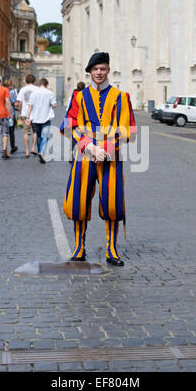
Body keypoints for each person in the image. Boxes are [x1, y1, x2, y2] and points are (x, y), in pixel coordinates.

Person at [60, 52, 136, 267]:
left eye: (102, 69)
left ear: (108, 70)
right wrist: (91, 147)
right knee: (78, 201)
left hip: (111, 157)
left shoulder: (121, 97)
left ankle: (111, 248)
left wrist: (109, 148)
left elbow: (127, 128)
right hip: (85, 155)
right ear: (90, 72)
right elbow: (69, 126)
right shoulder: (79, 97)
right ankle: (79, 246)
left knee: (112, 202)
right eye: (95, 69)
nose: (99, 73)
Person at [26, 78, 57, 164]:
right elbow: (54, 105)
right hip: (46, 117)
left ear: (39, 84)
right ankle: (42, 152)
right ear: (46, 85)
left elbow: (30, 106)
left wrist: (27, 118)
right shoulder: (50, 93)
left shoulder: (34, 93)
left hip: (35, 118)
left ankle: (40, 151)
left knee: (38, 136)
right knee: (45, 137)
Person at [16, 74, 38, 158]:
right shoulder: (37, 89)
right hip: (35, 114)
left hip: (25, 113)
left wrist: (20, 112)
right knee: (35, 132)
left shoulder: (23, 89)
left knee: (26, 132)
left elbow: (20, 103)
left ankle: (27, 150)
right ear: (34, 80)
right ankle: (33, 147)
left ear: (26, 80)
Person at [66, 81, 86, 163]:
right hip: (81, 120)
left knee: (73, 138)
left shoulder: (72, 96)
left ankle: (71, 152)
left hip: (72, 119)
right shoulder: (85, 96)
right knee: (82, 136)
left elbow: (68, 108)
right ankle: (81, 153)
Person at [3, 79, 18, 154]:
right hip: (10, 114)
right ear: (9, 86)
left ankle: (4, 148)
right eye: (11, 85)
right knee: (11, 132)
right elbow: (15, 104)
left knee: (4, 132)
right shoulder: (10, 93)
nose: (12, 86)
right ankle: (12, 146)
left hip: (2, 114)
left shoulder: (1, 92)